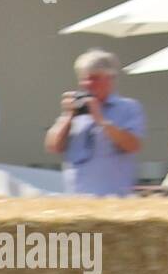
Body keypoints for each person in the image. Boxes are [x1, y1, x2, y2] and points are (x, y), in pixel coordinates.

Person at [45, 49, 144, 197]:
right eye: (84, 79)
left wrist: (101, 120)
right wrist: (67, 117)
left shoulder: (128, 107)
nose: (87, 84)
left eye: (94, 78)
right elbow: (52, 146)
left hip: (113, 198)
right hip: (75, 198)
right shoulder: (77, 108)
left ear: (110, 78)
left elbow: (133, 145)